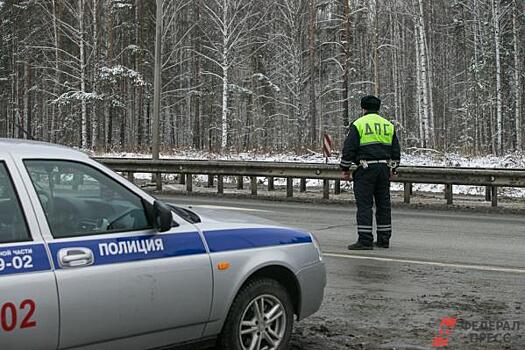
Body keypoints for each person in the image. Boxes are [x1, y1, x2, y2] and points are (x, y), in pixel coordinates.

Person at [340, 95, 401, 250]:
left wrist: (345, 169)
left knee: (365, 205)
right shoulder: (388, 125)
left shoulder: (359, 124)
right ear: (378, 108)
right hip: (384, 169)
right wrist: (393, 169)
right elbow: (395, 151)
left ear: (363, 108)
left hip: (366, 169)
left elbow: (349, 148)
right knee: (383, 205)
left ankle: (365, 240)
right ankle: (384, 239)